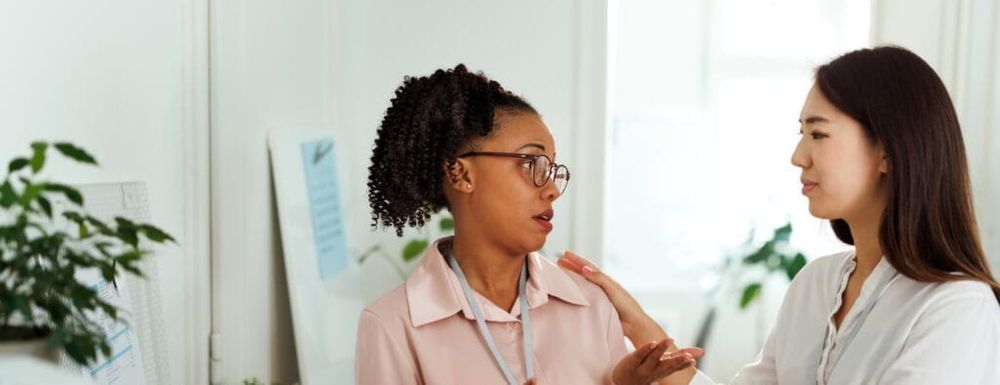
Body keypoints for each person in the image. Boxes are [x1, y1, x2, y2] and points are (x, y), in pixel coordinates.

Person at [558, 46, 1000, 384]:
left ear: (887, 149)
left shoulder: (957, 307)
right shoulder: (817, 284)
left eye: (818, 134)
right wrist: (639, 325)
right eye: (801, 133)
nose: (798, 156)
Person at [355, 64, 702, 385]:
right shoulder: (392, 325)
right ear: (460, 173)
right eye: (531, 163)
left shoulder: (592, 305)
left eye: (552, 170)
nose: (551, 190)